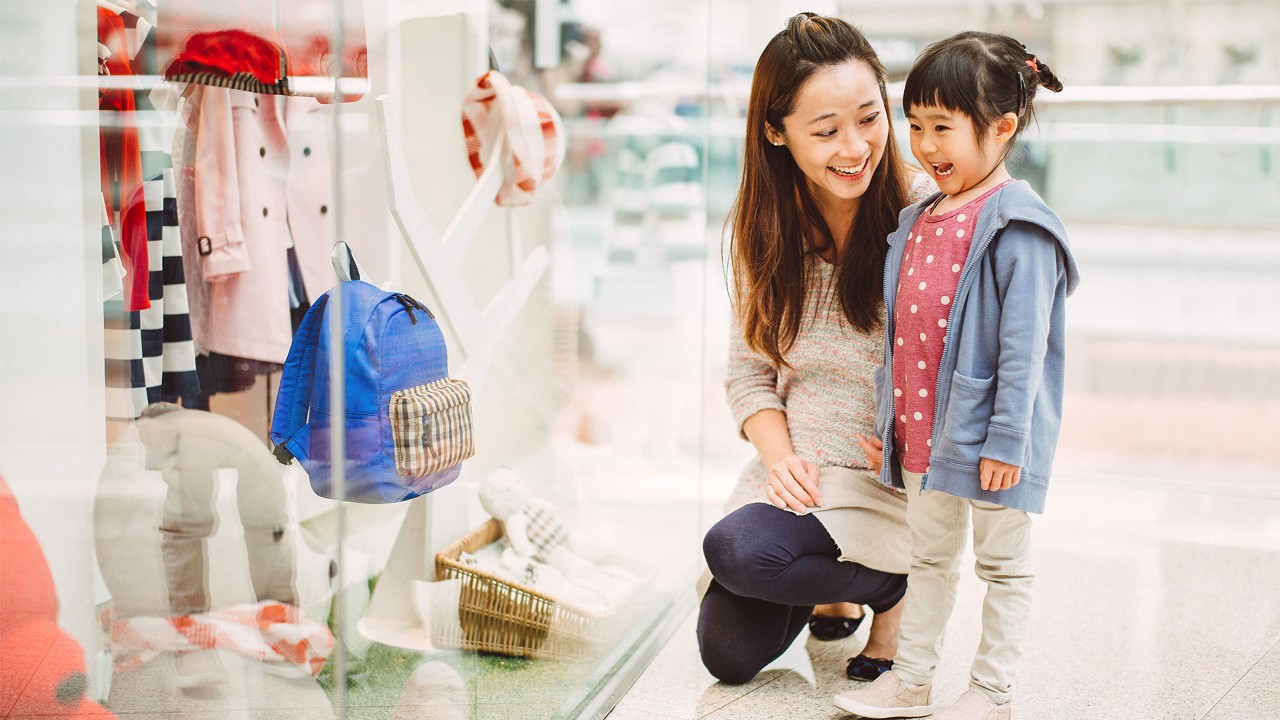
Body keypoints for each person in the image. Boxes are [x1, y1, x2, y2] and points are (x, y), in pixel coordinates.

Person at [832, 31, 1077, 720]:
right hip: (924, 438)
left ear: (1002, 128)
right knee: (930, 560)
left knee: (1002, 566)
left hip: (993, 442)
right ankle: (911, 682)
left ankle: (992, 691)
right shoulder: (918, 221)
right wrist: (890, 424)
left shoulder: (1018, 228)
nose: (925, 145)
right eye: (915, 126)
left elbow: (1025, 350)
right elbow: (899, 342)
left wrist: (1007, 440)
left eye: (943, 127)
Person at [698, 12, 934, 685]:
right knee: (728, 655)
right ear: (776, 133)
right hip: (800, 476)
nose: (856, 147)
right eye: (826, 131)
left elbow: (968, 365)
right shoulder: (762, 226)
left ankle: (891, 588)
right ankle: (841, 582)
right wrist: (780, 460)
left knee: (734, 549)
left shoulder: (926, 216)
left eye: (869, 118)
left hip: (884, 479)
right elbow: (748, 376)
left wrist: (911, 444)